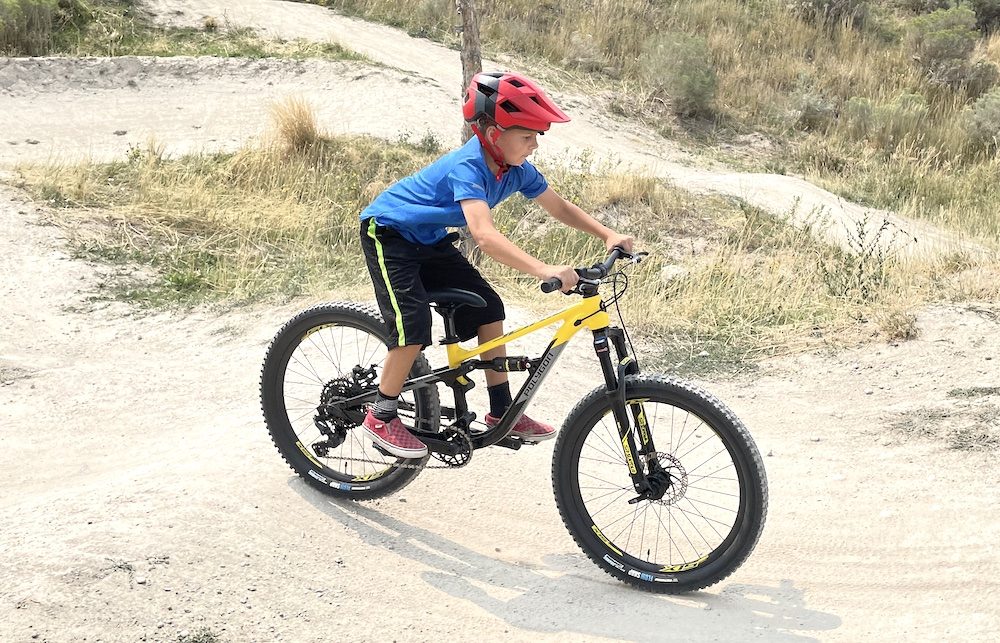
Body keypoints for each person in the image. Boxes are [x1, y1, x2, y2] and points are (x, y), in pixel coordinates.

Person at [359, 71, 634, 458]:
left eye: (537, 136)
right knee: (413, 325)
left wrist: (607, 234)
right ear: (493, 134)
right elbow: (484, 236)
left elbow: (559, 207)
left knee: (489, 307)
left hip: (429, 238)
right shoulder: (468, 167)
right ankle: (381, 415)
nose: (535, 145)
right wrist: (544, 269)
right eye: (527, 137)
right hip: (389, 234)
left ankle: (501, 410)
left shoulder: (515, 171)